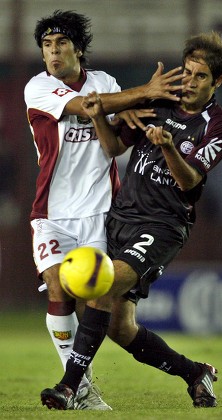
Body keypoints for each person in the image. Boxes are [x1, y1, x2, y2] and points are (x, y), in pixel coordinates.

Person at [40, 31, 222, 410]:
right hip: (122, 215)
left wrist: (167, 147)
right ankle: (195, 373)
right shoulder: (160, 103)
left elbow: (189, 179)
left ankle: (68, 387)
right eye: (188, 73)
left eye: (200, 77)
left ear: (218, 81)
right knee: (119, 326)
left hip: (163, 225)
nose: (190, 83)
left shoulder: (218, 125)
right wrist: (98, 117)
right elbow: (114, 147)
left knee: (102, 283)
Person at [24, 9, 185, 411]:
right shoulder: (38, 88)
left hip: (101, 213)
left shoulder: (104, 82)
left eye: (61, 44)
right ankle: (78, 388)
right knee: (59, 288)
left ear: (78, 49)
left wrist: (130, 110)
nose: (53, 53)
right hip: (52, 212)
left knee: (105, 309)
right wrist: (143, 92)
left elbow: (112, 133)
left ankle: (75, 384)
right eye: (47, 46)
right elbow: (88, 106)